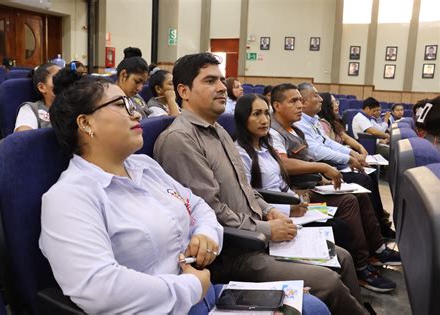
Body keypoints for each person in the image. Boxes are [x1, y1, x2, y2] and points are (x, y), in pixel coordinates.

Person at [154, 52, 366, 315]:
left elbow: (246, 187)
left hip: (255, 235)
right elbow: (208, 212)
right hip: (234, 252)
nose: (221, 87)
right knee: (328, 281)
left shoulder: (218, 130)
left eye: (221, 80)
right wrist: (266, 228)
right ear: (184, 91)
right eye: (210, 81)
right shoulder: (180, 140)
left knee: (342, 257)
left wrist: (268, 209)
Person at [41, 74, 223, 314]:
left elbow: (198, 207)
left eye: (131, 104)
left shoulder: (145, 166)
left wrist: (205, 234)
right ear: (86, 123)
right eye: (120, 105)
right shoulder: (69, 197)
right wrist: (191, 286)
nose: (136, 113)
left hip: (207, 293)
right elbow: (100, 287)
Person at [235, 94, 398, 293]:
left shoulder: (265, 146)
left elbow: (281, 180)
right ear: (243, 118)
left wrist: (302, 197)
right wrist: (289, 206)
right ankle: (355, 274)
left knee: (351, 203)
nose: (264, 120)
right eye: (256, 114)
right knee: (340, 227)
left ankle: (367, 261)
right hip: (277, 211)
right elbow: (250, 195)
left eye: (265, 114)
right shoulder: (240, 153)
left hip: (293, 200)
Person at [273, 83, 395, 239]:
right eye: (294, 101)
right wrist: (331, 165)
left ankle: (377, 240)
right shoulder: (282, 129)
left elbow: (323, 145)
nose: (299, 105)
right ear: (277, 106)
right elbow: (312, 153)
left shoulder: (300, 126)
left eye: (300, 100)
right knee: (355, 192)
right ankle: (369, 251)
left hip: (314, 178)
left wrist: (351, 153)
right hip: (301, 187)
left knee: (362, 189)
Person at [14, 63, 61, 132]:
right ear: (42, 87)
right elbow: (23, 139)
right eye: (58, 78)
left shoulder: (74, 107)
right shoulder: (31, 109)